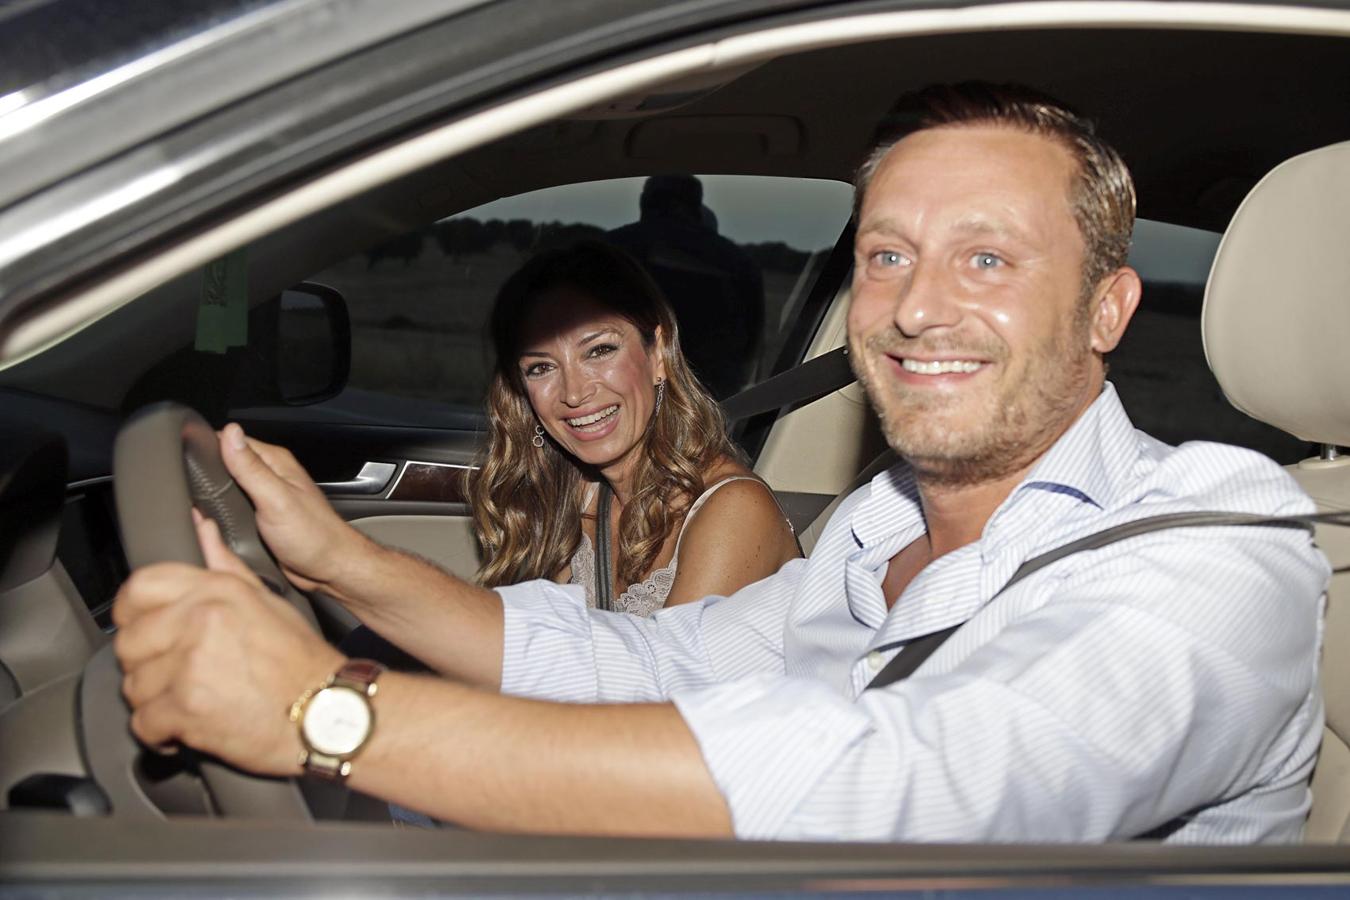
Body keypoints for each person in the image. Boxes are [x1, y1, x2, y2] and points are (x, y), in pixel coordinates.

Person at [113, 82, 1328, 843]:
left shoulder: (1223, 539)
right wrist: (341, 565)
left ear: (1110, 309)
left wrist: (327, 714)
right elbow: (656, 660)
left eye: (989, 261)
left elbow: (920, 798)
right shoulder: (876, 525)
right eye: (889, 257)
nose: (915, 310)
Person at [469, 240, 799, 614]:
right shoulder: (575, 495)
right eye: (541, 368)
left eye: (599, 350)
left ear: (657, 355)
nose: (574, 394)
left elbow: (664, 672)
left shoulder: (733, 511)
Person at [607, 175, 765, 398]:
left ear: (645, 201)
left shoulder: (608, 249)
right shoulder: (739, 262)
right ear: (697, 206)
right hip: (712, 394)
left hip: (627, 387)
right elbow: (752, 345)